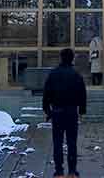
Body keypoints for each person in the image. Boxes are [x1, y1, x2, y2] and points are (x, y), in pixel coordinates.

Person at [43, 48, 87, 178]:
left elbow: (46, 95)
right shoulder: (76, 75)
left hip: (57, 112)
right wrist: (81, 111)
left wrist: (48, 111)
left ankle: (59, 172)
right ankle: (72, 171)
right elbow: (82, 95)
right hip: (72, 112)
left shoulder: (53, 74)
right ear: (72, 58)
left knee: (57, 142)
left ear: (61, 58)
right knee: (72, 142)